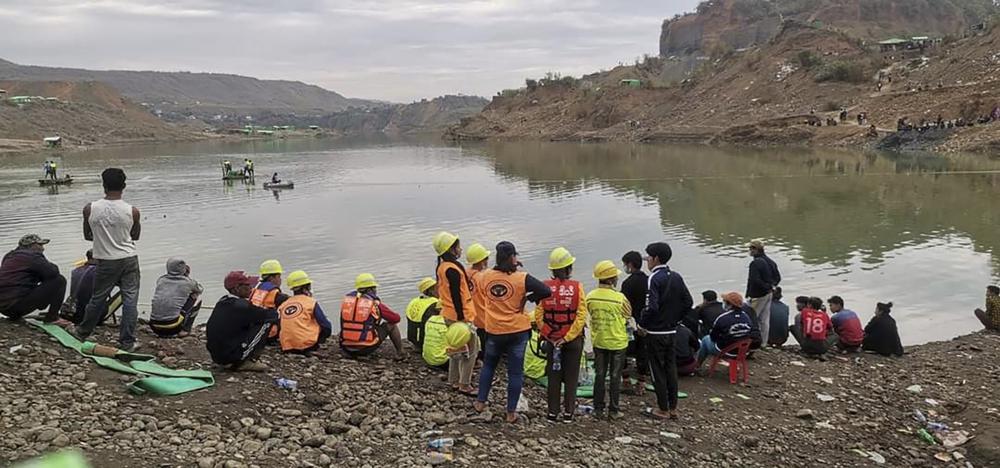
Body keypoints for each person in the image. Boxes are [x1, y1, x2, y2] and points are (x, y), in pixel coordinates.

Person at [475, 241, 552, 424]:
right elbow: (546, 290)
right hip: (518, 330)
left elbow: (483, 290)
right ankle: (511, 413)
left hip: (494, 330)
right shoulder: (522, 278)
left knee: (488, 366)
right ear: (513, 257)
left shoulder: (484, 277)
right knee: (515, 373)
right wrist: (529, 298)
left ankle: (480, 402)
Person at [74, 168, 142, 351]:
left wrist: (104, 237)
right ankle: (127, 342)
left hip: (105, 260)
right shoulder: (132, 211)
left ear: (103, 185)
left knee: (98, 297)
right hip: (129, 258)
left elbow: (88, 236)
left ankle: (82, 332)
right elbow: (135, 236)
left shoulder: (90, 209)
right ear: (124, 187)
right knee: (130, 299)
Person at [639, 241, 693, 420]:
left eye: (648, 257)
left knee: (657, 370)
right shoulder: (676, 276)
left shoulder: (654, 278)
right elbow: (688, 302)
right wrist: (675, 320)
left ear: (656, 259)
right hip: (671, 331)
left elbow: (651, 307)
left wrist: (643, 325)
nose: (647, 261)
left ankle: (662, 408)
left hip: (655, 333)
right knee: (670, 369)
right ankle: (673, 407)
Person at [535, 247, 588, 422]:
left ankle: (552, 413)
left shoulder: (543, 287)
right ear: (569, 268)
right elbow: (581, 316)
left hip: (552, 341)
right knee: (571, 377)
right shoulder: (577, 287)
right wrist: (567, 337)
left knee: (553, 376)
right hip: (572, 341)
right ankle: (568, 413)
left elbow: (539, 316)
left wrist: (551, 336)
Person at [433, 231, 480, 397]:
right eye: (457, 247)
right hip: (459, 316)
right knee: (472, 350)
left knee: (455, 348)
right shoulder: (452, 270)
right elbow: (456, 296)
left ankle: (453, 380)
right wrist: (462, 318)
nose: (460, 249)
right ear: (450, 250)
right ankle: (464, 384)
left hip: (448, 313)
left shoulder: (442, 266)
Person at [586, 260, 631, 420]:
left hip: (599, 341)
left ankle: (598, 409)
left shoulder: (590, 297)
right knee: (615, 376)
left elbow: (589, 313)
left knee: (599, 374)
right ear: (612, 279)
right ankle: (613, 410)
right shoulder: (620, 298)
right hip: (618, 342)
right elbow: (628, 315)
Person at [206, 271, 277, 371]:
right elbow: (271, 315)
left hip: (217, 356)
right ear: (237, 288)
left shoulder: (222, 301)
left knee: (252, 321)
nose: (251, 288)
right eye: (248, 285)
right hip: (231, 357)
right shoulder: (242, 306)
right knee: (266, 322)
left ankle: (233, 359)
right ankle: (246, 361)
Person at [0, 234, 69, 325]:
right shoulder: (32, 256)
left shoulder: (9, 256)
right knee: (59, 280)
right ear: (30, 246)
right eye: (39, 245)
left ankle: (16, 316)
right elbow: (53, 272)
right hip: (16, 306)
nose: (43, 248)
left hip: (3, 308)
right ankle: (52, 318)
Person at [339, 273, 404, 359]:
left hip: (345, 347)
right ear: (371, 289)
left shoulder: (347, 301)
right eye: (375, 288)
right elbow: (395, 318)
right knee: (391, 325)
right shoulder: (374, 303)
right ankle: (401, 353)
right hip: (365, 348)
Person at [278, 271, 332, 353]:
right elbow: (325, 325)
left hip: (286, 346)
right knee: (319, 322)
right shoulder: (310, 302)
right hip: (306, 346)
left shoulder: (284, 304)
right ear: (306, 287)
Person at [62, 250, 122, 324]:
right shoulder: (100, 272)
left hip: (72, 313)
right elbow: (121, 283)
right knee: (127, 289)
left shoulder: (76, 270)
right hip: (89, 316)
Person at [149, 258, 203, 338]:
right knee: (196, 296)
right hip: (173, 328)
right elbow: (200, 289)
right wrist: (187, 277)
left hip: (154, 326)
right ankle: (185, 330)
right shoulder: (188, 282)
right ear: (184, 269)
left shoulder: (161, 280)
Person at [696, 292, 753, 366]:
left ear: (729, 304)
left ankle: (697, 365)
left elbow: (713, 337)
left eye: (724, 301)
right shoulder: (746, 317)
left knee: (705, 340)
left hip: (727, 351)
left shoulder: (723, 318)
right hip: (743, 351)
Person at [620, 251, 649, 395]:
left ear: (630, 264)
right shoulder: (649, 281)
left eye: (625, 264)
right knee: (642, 352)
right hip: (645, 322)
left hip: (630, 323)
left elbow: (623, 305)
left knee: (624, 351)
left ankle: (625, 380)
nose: (625, 267)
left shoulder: (628, 283)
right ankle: (641, 383)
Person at [746, 239, 780, 348]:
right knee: (764, 320)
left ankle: (751, 343)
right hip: (768, 294)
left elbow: (754, 280)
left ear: (755, 249)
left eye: (750, 248)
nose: (749, 251)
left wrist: (765, 287)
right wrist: (771, 287)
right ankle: (763, 343)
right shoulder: (771, 261)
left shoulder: (755, 263)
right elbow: (778, 278)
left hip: (757, 295)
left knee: (751, 318)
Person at [250, 259, 288, 342]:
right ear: (272, 278)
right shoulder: (275, 294)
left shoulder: (254, 289)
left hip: (252, 329)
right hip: (268, 334)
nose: (280, 280)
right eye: (279, 276)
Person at [466, 242, 490, 361]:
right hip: (483, 316)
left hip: (470, 315)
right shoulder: (482, 277)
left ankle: (476, 354)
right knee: (486, 341)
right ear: (482, 261)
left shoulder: (466, 273)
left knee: (475, 338)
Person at [404, 277, 440, 349]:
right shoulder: (435, 304)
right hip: (424, 343)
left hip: (413, 340)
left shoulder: (414, 301)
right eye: (437, 288)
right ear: (431, 290)